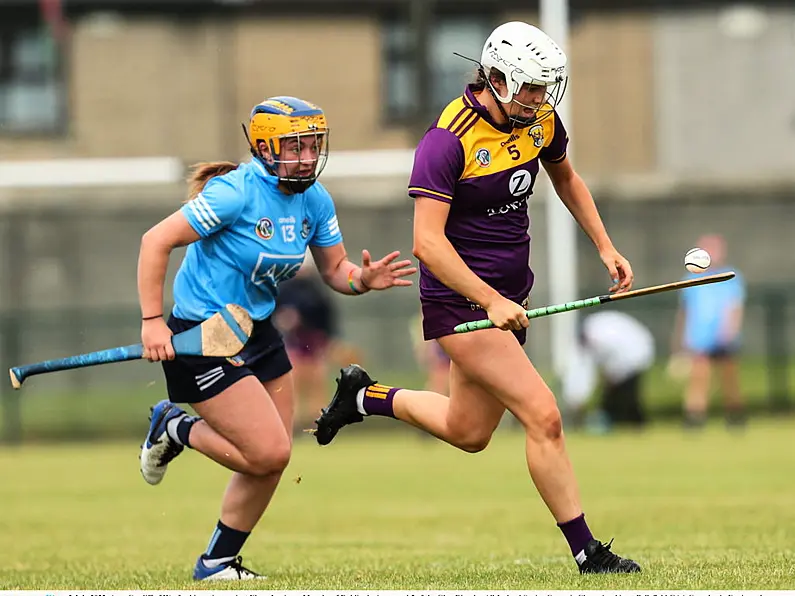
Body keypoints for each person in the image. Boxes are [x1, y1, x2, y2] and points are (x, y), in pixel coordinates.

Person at [313, 22, 641, 574]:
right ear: (495, 78)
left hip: (509, 299)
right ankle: (588, 553)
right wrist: (488, 300)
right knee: (545, 416)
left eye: (546, 89)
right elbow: (427, 243)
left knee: (469, 432)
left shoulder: (537, 121)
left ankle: (364, 398)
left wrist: (605, 246)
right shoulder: (447, 140)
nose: (541, 101)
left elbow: (566, 179)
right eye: (531, 89)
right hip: (462, 305)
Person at [136, 96, 416, 581]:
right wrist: (152, 321)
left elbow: (335, 269)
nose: (307, 157)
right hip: (202, 333)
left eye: (313, 146)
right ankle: (172, 427)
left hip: (256, 330)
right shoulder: (234, 194)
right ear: (265, 148)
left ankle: (217, 563)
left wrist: (361, 280)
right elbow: (154, 241)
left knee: (272, 457)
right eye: (295, 147)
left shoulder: (314, 199)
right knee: (269, 452)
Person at [670, 234, 746, 428]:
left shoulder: (730, 276)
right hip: (700, 336)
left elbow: (734, 307)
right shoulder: (690, 280)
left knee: (729, 380)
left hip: (723, 336)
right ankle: (694, 418)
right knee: (699, 377)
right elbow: (686, 311)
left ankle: (735, 416)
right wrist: (681, 339)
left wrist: (729, 330)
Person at [273, 252, 340, 432]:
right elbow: (275, 315)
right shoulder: (284, 289)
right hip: (292, 343)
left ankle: (317, 423)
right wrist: (283, 321)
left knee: (317, 384)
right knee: (292, 383)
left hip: (314, 344)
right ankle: (292, 424)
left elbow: (326, 318)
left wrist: (328, 341)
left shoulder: (316, 290)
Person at [562, 311, 655, 431]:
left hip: (635, 354)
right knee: (621, 392)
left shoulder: (597, 335)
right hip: (634, 351)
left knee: (627, 394)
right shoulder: (595, 327)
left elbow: (613, 356)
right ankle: (629, 422)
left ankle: (635, 422)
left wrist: (611, 374)